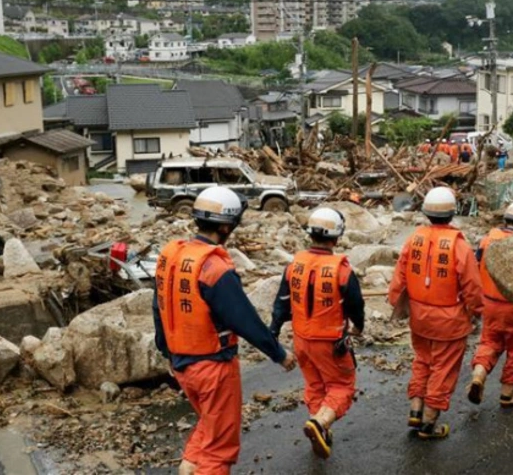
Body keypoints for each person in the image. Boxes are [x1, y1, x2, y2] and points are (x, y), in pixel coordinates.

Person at [153, 187, 296, 475]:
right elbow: (244, 320)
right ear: (226, 226)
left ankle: (188, 469)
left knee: (209, 425)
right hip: (213, 367)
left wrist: (166, 350)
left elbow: (158, 307)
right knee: (219, 449)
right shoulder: (214, 267)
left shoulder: (171, 256)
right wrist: (279, 353)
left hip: (181, 364)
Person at [388, 186, 483, 439]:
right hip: (449, 322)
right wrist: (477, 311)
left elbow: (399, 277)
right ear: (452, 212)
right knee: (443, 368)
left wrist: (397, 305)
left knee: (422, 360)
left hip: (419, 317)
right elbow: (472, 286)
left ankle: (416, 409)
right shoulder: (459, 246)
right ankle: (429, 422)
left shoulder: (414, 239)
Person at [270, 208, 365, 460]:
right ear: (337, 237)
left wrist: (273, 333)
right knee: (342, 386)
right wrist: (358, 327)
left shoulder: (294, 265)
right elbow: (356, 305)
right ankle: (320, 422)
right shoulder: (342, 270)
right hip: (330, 343)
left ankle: (320, 429)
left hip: (301, 340)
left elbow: (281, 303)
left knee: (314, 385)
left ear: (310, 234)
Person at [467, 201, 513, 408]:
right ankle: (507, 395)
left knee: (489, 342)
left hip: (489, 303)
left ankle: (478, 374)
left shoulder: (487, 240)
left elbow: (476, 267)